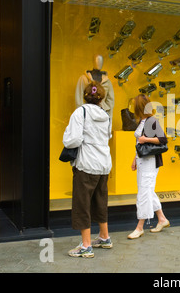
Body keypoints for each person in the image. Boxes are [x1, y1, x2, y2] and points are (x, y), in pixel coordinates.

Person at [63, 82, 113, 258]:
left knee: (82, 203)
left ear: (85, 96)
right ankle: (104, 237)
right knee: (100, 200)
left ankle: (86, 245)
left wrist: (66, 135)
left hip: (86, 164)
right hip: (104, 164)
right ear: (102, 98)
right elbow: (108, 136)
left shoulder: (80, 112)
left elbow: (73, 140)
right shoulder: (106, 115)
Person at [128, 94, 169, 239]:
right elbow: (139, 143)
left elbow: (163, 139)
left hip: (150, 163)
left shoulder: (151, 121)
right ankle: (162, 219)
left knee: (144, 193)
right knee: (147, 191)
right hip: (143, 161)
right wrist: (135, 158)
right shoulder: (143, 121)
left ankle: (140, 227)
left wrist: (146, 139)